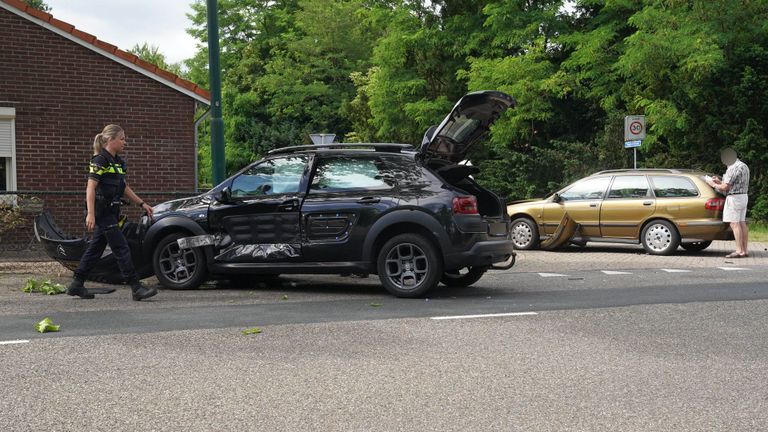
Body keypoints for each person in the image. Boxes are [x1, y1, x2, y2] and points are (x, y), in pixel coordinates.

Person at [67, 124, 158, 301]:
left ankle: (76, 284)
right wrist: (91, 213)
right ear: (110, 140)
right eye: (122, 138)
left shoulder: (118, 163)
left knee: (95, 249)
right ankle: (136, 287)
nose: (125, 142)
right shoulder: (100, 160)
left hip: (111, 212)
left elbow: (123, 187)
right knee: (121, 247)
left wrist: (142, 204)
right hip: (102, 213)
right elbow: (90, 187)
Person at [707, 147, 750, 258]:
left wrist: (714, 184)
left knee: (734, 224)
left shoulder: (732, 168)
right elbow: (732, 184)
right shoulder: (743, 166)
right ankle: (745, 250)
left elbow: (725, 187)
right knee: (741, 223)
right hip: (743, 196)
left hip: (734, 198)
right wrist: (719, 181)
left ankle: (739, 251)